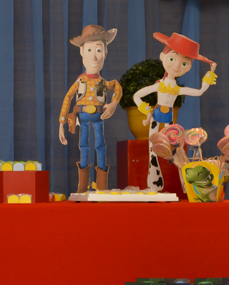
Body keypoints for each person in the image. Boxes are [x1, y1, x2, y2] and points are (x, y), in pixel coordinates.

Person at [131, 32, 218, 191]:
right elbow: (137, 96)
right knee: (152, 147)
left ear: (189, 67)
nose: (177, 66)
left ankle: (184, 183)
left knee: (176, 150)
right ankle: (154, 181)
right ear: (162, 57)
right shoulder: (159, 85)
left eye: (184, 63)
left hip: (169, 119)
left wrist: (210, 73)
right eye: (172, 59)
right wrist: (146, 110)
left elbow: (199, 92)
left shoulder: (177, 89)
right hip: (156, 115)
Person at [58, 25, 122, 193]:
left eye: (99, 50)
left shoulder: (104, 83)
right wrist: (62, 122)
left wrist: (113, 103)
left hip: (99, 117)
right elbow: (68, 97)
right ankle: (82, 185)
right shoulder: (80, 82)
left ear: (105, 53)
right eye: (89, 50)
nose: (94, 56)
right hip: (83, 117)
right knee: (83, 145)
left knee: (100, 145)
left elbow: (117, 85)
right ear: (82, 52)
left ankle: (102, 185)